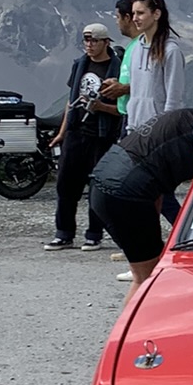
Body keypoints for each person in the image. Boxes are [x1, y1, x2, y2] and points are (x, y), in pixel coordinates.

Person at [90, 107, 193, 296]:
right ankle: (134, 325)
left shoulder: (185, 118)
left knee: (150, 268)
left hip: (105, 180)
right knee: (146, 279)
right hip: (125, 190)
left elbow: (158, 192)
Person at [44, 23, 124, 250]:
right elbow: (72, 100)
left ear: (106, 42)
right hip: (76, 132)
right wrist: (62, 132)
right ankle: (64, 233)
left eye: (94, 40)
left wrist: (101, 107)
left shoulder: (117, 69)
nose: (89, 45)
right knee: (66, 184)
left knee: (97, 185)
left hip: (102, 135)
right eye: (86, 40)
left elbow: (122, 108)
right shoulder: (80, 65)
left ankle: (94, 234)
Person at [106, 0, 185, 133]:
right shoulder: (136, 49)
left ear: (156, 14)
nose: (135, 19)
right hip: (134, 130)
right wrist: (131, 126)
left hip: (158, 132)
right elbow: (135, 92)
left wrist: (164, 130)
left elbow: (173, 98)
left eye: (140, 13)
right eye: (133, 13)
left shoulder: (170, 51)